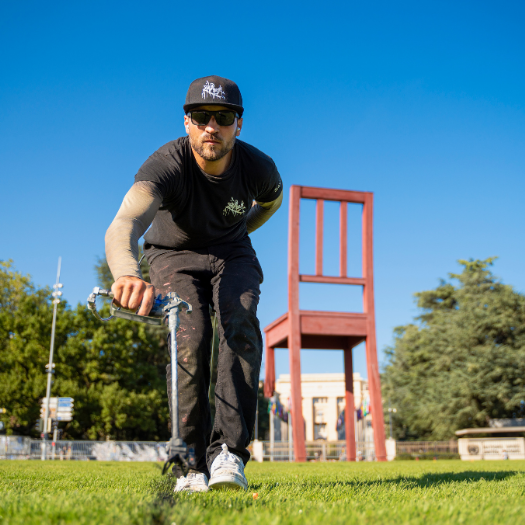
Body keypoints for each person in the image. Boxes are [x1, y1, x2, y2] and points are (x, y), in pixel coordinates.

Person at [105, 75, 283, 492]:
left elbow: (271, 202)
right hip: (173, 255)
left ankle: (228, 455)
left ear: (239, 124)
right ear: (187, 121)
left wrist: (242, 228)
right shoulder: (165, 165)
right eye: (201, 116)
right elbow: (125, 223)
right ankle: (187, 461)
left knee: (240, 320)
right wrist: (127, 275)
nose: (212, 127)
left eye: (223, 117)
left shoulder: (259, 168)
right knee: (191, 334)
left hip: (232, 252)